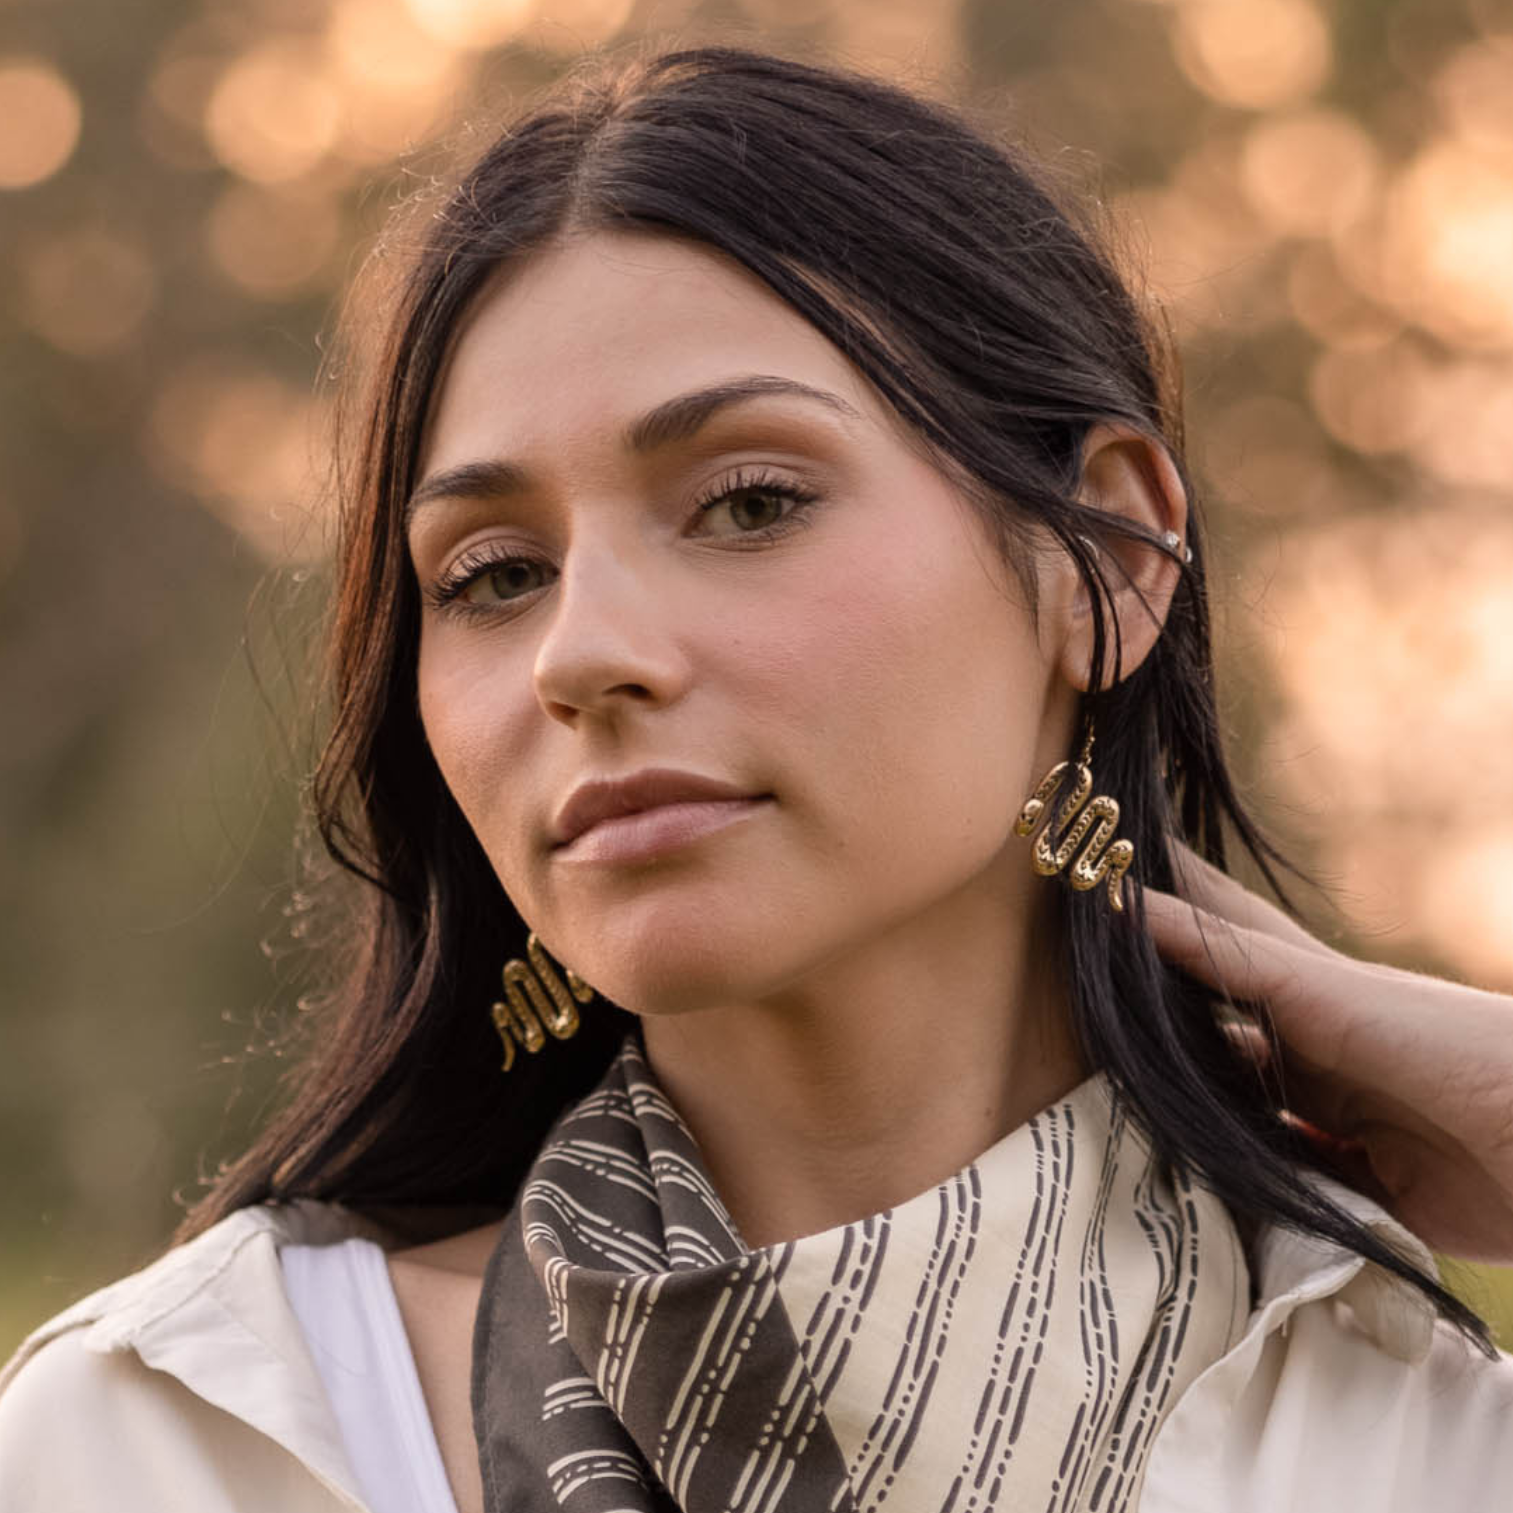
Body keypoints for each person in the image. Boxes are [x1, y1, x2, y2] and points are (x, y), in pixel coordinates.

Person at [2, 41, 1511, 1513]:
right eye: (495, 574)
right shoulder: (189, 1441)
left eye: (748, 503)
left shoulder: (1419, 1441)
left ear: (1104, 559)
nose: (581, 654)